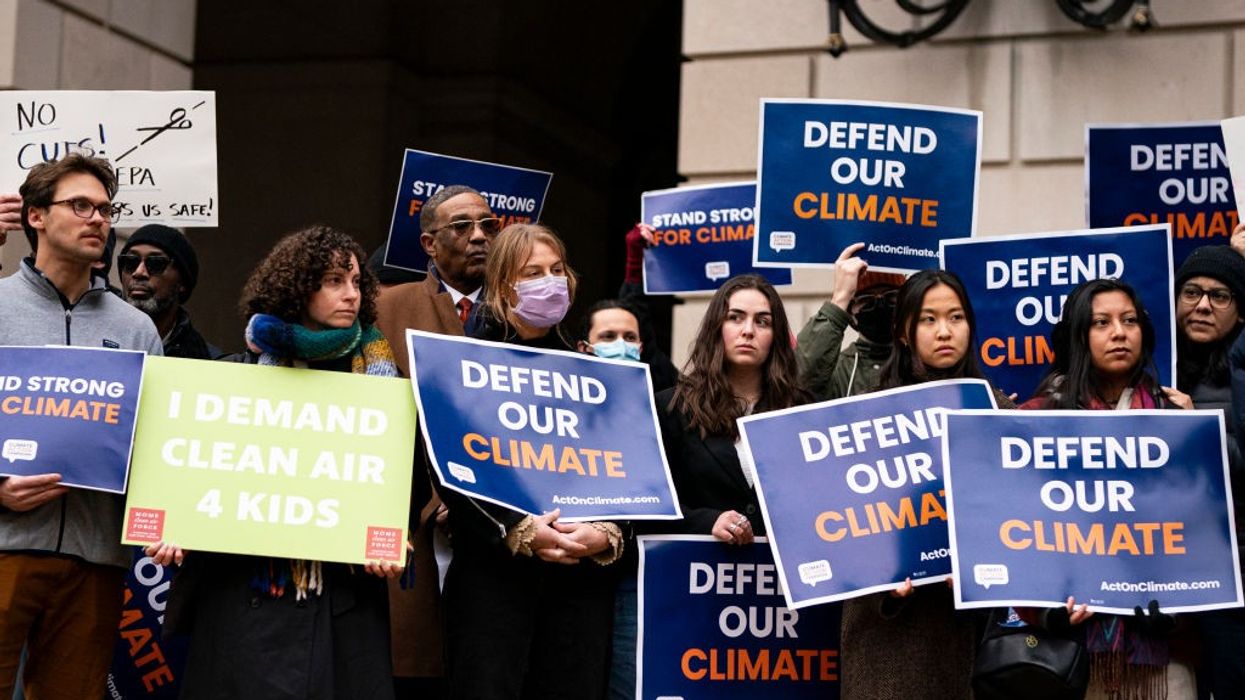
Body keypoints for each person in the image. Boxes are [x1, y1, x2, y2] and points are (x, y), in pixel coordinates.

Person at [154, 225, 403, 700]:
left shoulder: (385, 384)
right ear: (296, 287)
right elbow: (196, 473)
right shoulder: (233, 378)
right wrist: (175, 527)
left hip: (341, 603)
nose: (350, 294)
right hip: (243, 597)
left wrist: (392, 539)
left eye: (356, 282)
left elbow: (399, 486)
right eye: (333, 281)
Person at [0, 154, 163, 698]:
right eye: (80, 205)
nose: (98, 218)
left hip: (95, 558)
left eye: (105, 209)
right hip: (5, 544)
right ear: (36, 216)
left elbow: (156, 444)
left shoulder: (137, 329)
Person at [441, 222, 625, 700]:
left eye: (557, 269)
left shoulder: (597, 372)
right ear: (503, 286)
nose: (551, 281)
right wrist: (518, 529)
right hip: (494, 590)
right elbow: (454, 474)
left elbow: (632, 469)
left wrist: (606, 531)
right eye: (534, 273)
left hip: (577, 593)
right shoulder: (466, 365)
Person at [840, 269, 1015, 700]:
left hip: (974, 642)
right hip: (890, 639)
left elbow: (1020, 520)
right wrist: (881, 579)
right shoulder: (864, 415)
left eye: (955, 317)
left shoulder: (1000, 410)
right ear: (904, 331)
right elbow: (843, 528)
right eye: (928, 319)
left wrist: (984, 575)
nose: (944, 331)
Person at [1022, 278, 1195, 700]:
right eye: (1101, 322)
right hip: (1072, 657)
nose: (1119, 332)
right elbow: (1018, 532)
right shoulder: (1035, 421)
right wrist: (1048, 613)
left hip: (1164, 658)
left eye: (1129, 320)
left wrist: (1177, 616)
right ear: (1078, 337)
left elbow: (1202, 535)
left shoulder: (1178, 419)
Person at [373, 184, 501, 698]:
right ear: (429, 245)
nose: (479, 236)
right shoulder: (386, 308)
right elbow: (377, 422)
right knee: (416, 666)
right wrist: (438, 499)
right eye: (462, 226)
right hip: (417, 522)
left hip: (501, 531)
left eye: (488, 226)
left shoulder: (521, 309)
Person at [655, 273, 809, 542]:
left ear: (776, 336)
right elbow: (653, 502)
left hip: (779, 578)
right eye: (735, 317)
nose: (748, 330)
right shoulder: (671, 406)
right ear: (716, 326)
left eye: (763, 321)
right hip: (696, 574)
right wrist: (707, 521)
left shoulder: (804, 409)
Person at [797, 242, 904, 400]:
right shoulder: (836, 370)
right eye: (867, 301)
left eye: (891, 297)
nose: (880, 306)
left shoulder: (920, 361)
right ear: (850, 314)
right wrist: (841, 297)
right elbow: (802, 377)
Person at [119, 223, 225, 359]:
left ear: (182, 282)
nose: (139, 272)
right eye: (130, 262)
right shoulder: (94, 342)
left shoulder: (209, 361)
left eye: (156, 263)